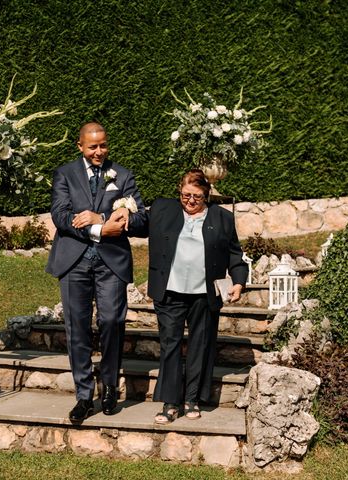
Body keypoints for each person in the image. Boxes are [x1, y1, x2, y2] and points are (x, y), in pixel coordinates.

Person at [46, 122, 147, 423]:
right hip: (73, 261)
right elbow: (61, 215)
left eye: (103, 145)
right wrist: (101, 227)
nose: (99, 151)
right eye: (93, 147)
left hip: (111, 261)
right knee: (77, 328)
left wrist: (103, 214)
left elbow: (141, 220)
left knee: (112, 322)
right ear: (80, 146)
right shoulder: (64, 174)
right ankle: (83, 396)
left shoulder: (123, 175)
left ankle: (110, 389)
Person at [147, 169, 248, 424]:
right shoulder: (163, 209)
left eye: (197, 197)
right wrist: (121, 212)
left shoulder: (222, 218)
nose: (191, 201)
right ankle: (171, 403)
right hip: (170, 291)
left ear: (207, 195)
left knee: (200, 346)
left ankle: (191, 399)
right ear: (179, 191)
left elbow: (234, 254)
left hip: (204, 292)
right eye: (186, 195)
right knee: (170, 345)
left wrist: (238, 281)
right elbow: (138, 224)